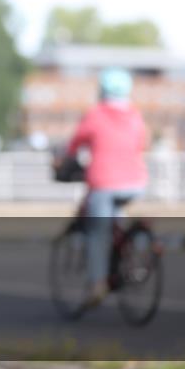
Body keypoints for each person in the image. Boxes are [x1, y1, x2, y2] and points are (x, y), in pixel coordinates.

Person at [64, 67, 149, 306]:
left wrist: (67, 157)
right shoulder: (135, 115)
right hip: (136, 182)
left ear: (101, 90)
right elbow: (142, 143)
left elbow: (75, 143)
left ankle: (98, 286)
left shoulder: (96, 114)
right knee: (116, 217)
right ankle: (136, 252)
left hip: (104, 182)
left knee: (97, 233)